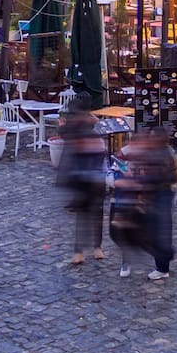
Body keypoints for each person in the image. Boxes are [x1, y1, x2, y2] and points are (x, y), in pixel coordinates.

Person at [121, 127, 177, 280]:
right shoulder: (161, 152)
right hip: (156, 195)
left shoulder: (163, 154)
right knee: (155, 230)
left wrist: (138, 181)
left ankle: (163, 263)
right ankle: (164, 258)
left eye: (153, 137)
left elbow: (160, 177)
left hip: (161, 195)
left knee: (159, 231)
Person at [57, 109, 107, 266]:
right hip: (92, 182)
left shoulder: (87, 140)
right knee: (91, 216)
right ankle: (93, 249)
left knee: (86, 217)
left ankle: (83, 251)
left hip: (89, 182)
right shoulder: (94, 139)